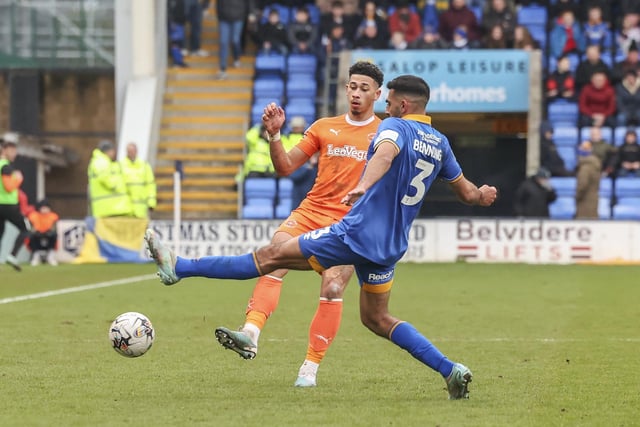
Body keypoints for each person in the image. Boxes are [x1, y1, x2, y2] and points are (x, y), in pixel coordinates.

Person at [145, 74, 498, 399]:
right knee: (377, 318)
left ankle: (181, 267)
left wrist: (363, 184)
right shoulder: (440, 143)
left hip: (354, 234)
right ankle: (451, 371)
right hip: (389, 246)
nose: (385, 107)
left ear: (404, 106)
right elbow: (467, 193)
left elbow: (386, 154)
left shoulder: (395, 128)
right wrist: (483, 195)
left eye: (388, 101)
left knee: (270, 257)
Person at [228, 61, 383, 388]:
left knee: (333, 287)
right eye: (352, 86)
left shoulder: (385, 133)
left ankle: (309, 369)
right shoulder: (324, 126)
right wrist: (274, 136)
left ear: (378, 94)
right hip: (311, 212)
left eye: (364, 88)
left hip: (348, 222)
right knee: (273, 254)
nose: (356, 93)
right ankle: (250, 333)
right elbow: (285, 167)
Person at [0, 135, 28, 271]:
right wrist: (18, 178)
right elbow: (8, 186)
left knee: (1, 232)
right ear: (4, 150)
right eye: (12, 150)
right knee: (26, 229)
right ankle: (12, 255)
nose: (15, 153)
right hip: (7, 205)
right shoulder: (5, 167)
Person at [87, 140, 133, 218]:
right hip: (109, 207)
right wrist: (117, 186)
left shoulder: (102, 161)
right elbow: (105, 178)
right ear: (108, 151)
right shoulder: (101, 162)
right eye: (113, 151)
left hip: (110, 207)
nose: (114, 153)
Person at [215, 0, 252, 79]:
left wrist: (249, 13)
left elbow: (248, 2)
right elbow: (218, 3)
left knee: (235, 40)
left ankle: (236, 58)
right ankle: (222, 68)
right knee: (223, 42)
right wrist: (219, 16)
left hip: (238, 17)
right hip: (224, 19)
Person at [120, 143, 157, 219]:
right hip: (125, 207)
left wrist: (151, 202)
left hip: (141, 207)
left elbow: (150, 185)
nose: (131, 153)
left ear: (136, 151)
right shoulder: (120, 165)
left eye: (133, 151)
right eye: (129, 151)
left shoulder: (144, 166)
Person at [27, 199, 59, 266]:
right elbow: (32, 228)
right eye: (43, 208)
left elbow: (54, 228)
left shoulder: (53, 216)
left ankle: (51, 255)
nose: (45, 210)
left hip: (48, 235)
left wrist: (49, 232)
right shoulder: (33, 216)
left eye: (46, 208)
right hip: (37, 235)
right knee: (31, 236)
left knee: (54, 235)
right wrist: (36, 232)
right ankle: (36, 256)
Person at [575, 140, 601, 218]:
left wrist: (577, 196)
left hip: (585, 202)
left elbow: (582, 185)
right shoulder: (595, 165)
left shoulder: (585, 168)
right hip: (593, 200)